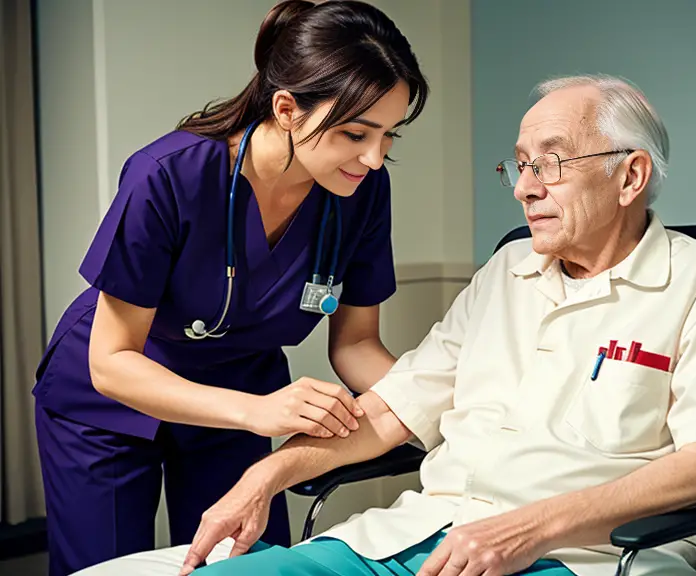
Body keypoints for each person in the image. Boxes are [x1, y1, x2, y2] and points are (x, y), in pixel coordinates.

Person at [74, 75, 696, 576]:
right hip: (413, 537)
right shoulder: (507, 273)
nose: (525, 186)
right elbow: (393, 409)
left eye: (550, 163)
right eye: (520, 166)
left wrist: (524, 528)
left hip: (574, 556)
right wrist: (268, 476)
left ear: (630, 176)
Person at [32, 1, 429, 575]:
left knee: (238, 565)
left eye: (389, 135)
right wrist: (257, 413)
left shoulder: (362, 191)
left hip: (239, 397)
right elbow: (112, 362)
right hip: (112, 402)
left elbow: (356, 346)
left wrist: (441, 405)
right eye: (354, 133)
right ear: (288, 109)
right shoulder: (169, 175)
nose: (373, 157)